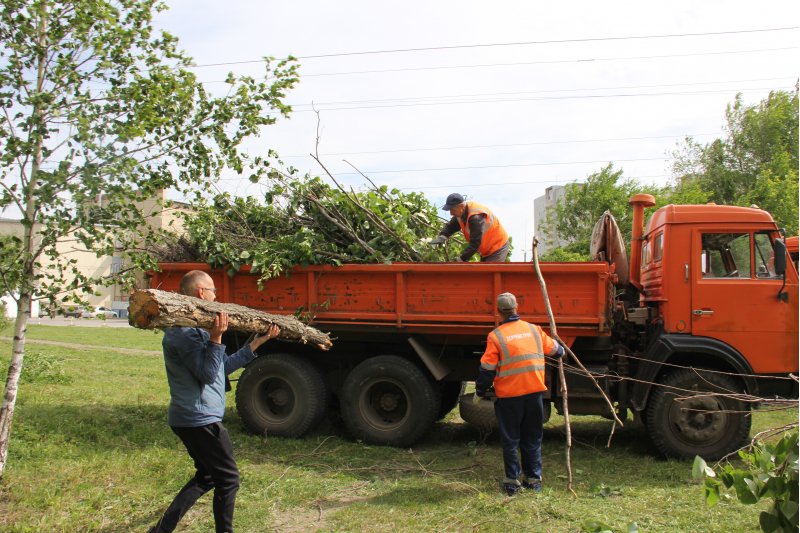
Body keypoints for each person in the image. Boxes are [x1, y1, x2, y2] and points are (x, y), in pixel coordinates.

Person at [149, 270, 280, 533]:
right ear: (201, 293)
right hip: (199, 420)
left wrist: (254, 346)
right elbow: (208, 375)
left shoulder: (193, 330)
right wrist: (216, 337)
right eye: (213, 291)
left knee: (208, 476)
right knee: (229, 480)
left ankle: (161, 530)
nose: (216, 296)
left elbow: (219, 370)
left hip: (193, 418)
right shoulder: (183, 333)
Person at [474, 292, 564, 496]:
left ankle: (512, 483)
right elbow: (556, 351)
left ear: (498, 311)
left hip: (509, 399)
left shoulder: (496, 336)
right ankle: (533, 480)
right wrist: (562, 350)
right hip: (534, 395)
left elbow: (487, 368)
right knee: (532, 438)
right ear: (517, 307)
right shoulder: (534, 330)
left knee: (511, 440)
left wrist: (480, 391)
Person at [429, 193, 510, 262]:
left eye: (452, 210)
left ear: (461, 206)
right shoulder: (461, 212)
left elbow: (475, 244)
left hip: (498, 246)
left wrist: (461, 259)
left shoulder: (476, 217)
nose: (451, 213)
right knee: (484, 276)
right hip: (486, 249)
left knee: (489, 276)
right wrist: (442, 236)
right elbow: (451, 226)